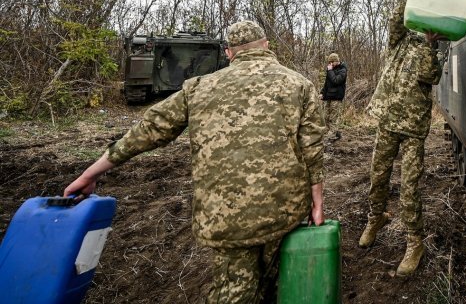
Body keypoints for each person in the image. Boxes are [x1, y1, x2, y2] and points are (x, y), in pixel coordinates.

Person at [64, 20, 325, 303]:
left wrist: (91, 173)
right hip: (284, 208)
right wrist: (317, 202)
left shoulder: (199, 86)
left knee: (234, 293)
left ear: (229, 52)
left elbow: (149, 130)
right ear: (266, 46)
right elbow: (312, 147)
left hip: (226, 215)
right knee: (281, 285)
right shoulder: (299, 84)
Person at [358, 0, 443, 276]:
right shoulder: (399, 41)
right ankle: (375, 218)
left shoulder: (431, 49)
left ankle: (414, 242)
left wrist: (431, 46)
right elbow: (396, 19)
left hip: (413, 130)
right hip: (388, 123)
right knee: (378, 177)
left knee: (409, 188)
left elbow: (431, 77)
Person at [320, 52, 347, 140]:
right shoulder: (330, 69)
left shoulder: (343, 70)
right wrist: (322, 93)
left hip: (336, 97)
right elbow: (327, 83)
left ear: (336, 61)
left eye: (331, 62)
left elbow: (336, 81)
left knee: (333, 117)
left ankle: (332, 134)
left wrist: (330, 71)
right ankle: (331, 132)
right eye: (329, 62)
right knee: (325, 116)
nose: (330, 64)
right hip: (328, 96)